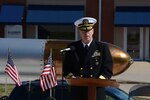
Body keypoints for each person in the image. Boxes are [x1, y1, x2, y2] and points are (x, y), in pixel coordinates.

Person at [63, 17, 113, 100]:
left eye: (88, 31)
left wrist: (99, 80)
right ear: (80, 32)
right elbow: (66, 68)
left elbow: (108, 68)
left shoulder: (102, 48)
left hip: (96, 91)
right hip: (78, 92)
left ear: (93, 31)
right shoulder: (72, 47)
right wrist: (73, 78)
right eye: (83, 31)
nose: (86, 34)